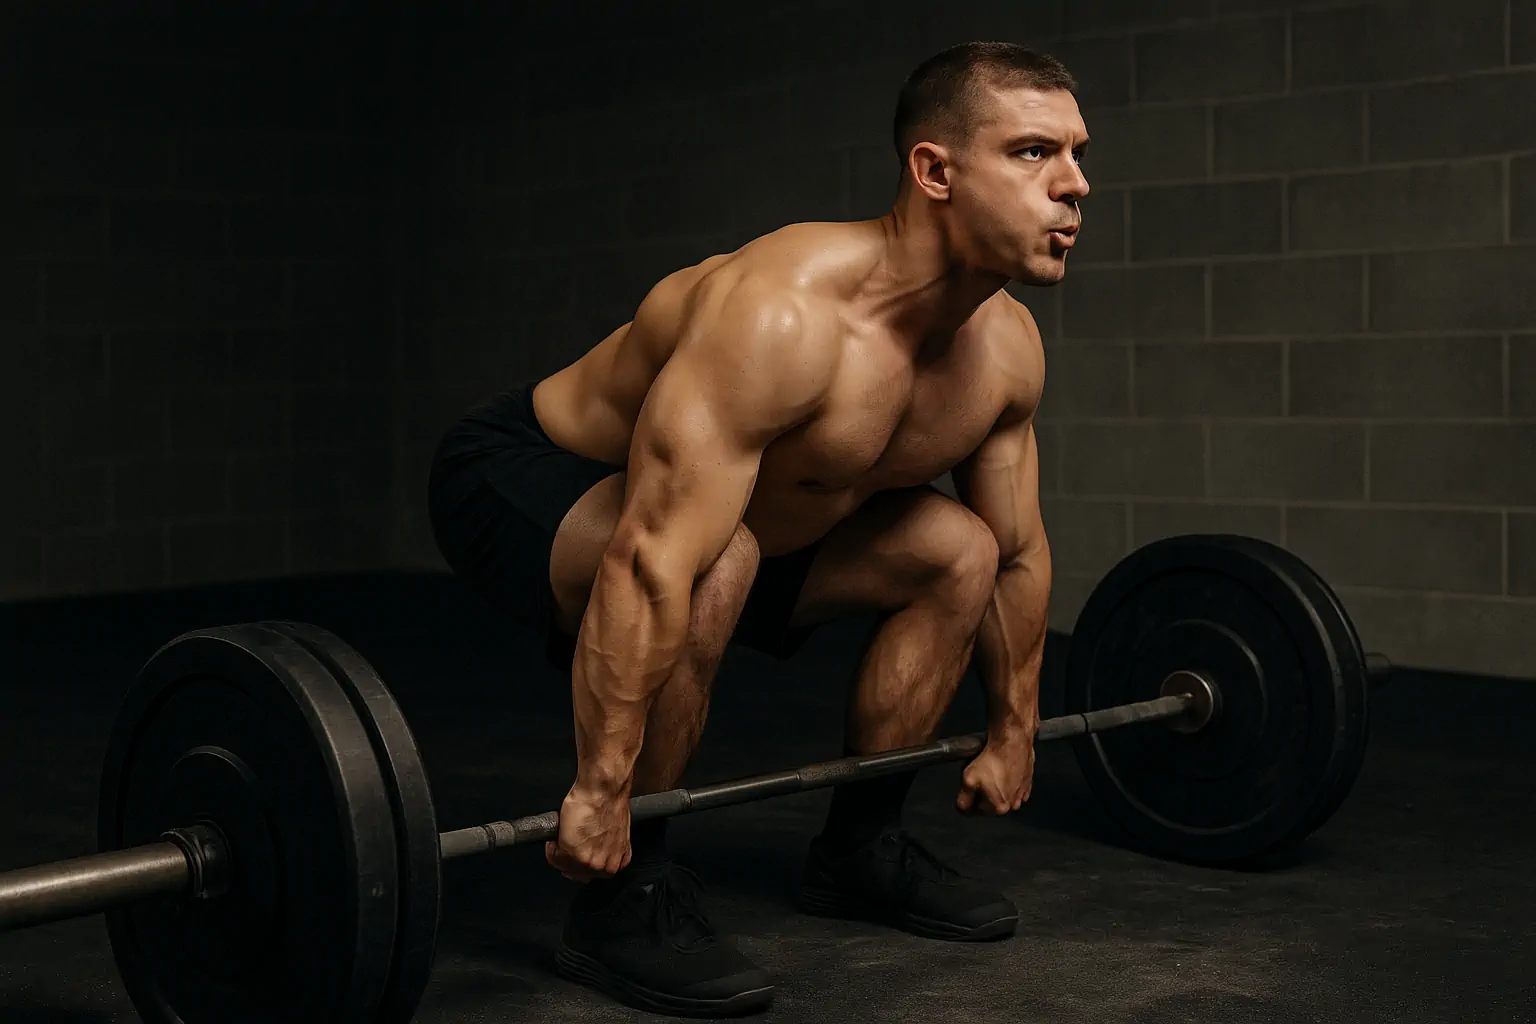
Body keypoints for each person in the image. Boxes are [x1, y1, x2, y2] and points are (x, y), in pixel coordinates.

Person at [427, 40, 1087, 1018]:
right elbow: (656, 557)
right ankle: (623, 894)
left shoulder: (1005, 356)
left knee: (963, 550)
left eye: (1079, 153)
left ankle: (860, 847)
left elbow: (1020, 552)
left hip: (742, 523)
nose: (1075, 185)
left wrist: (1015, 729)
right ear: (935, 171)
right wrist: (601, 787)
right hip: (531, 474)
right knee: (713, 555)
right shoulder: (782, 318)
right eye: (1035, 153)